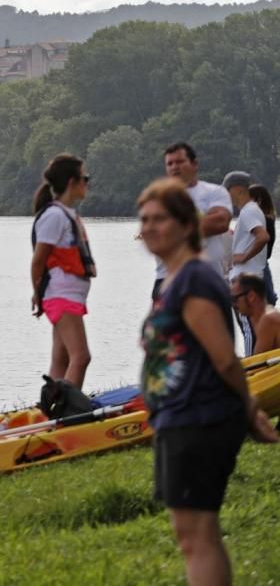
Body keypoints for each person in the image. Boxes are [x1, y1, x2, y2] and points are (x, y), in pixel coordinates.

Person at [137, 178, 277, 586]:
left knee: (197, 536)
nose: (148, 227)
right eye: (143, 219)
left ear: (186, 224)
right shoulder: (176, 279)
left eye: (159, 219)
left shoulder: (195, 279)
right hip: (178, 417)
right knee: (193, 534)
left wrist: (250, 409)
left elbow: (224, 359)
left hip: (198, 418)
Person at [30, 153, 95, 389]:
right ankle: (67, 414)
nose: (87, 183)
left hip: (69, 296)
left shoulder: (67, 214)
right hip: (61, 295)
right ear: (71, 182)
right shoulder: (55, 216)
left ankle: (50, 413)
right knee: (81, 356)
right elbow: (38, 261)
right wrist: (38, 294)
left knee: (62, 360)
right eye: (84, 178)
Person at [157, 143, 233, 297]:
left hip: (209, 277)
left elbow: (220, 223)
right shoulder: (160, 198)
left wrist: (174, 227)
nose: (174, 167)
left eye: (179, 162)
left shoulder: (215, 192)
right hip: (168, 279)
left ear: (194, 164)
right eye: (170, 163)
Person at [223, 171, 269, 355]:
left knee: (248, 327)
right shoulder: (250, 211)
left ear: (238, 189)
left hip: (245, 280)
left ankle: (252, 367)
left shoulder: (249, 211)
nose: (226, 194)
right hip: (247, 278)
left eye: (227, 190)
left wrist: (244, 257)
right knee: (252, 327)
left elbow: (262, 237)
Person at [230, 273, 280, 355]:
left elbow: (257, 363)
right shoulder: (264, 315)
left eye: (234, 299)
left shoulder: (268, 319)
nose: (233, 305)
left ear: (251, 296)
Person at [248, 184, 277, 305]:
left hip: (257, 265)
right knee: (268, 301)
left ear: (258, 200)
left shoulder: (261, 220)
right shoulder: (267, 219)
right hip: (262, 264)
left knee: (265, 301)